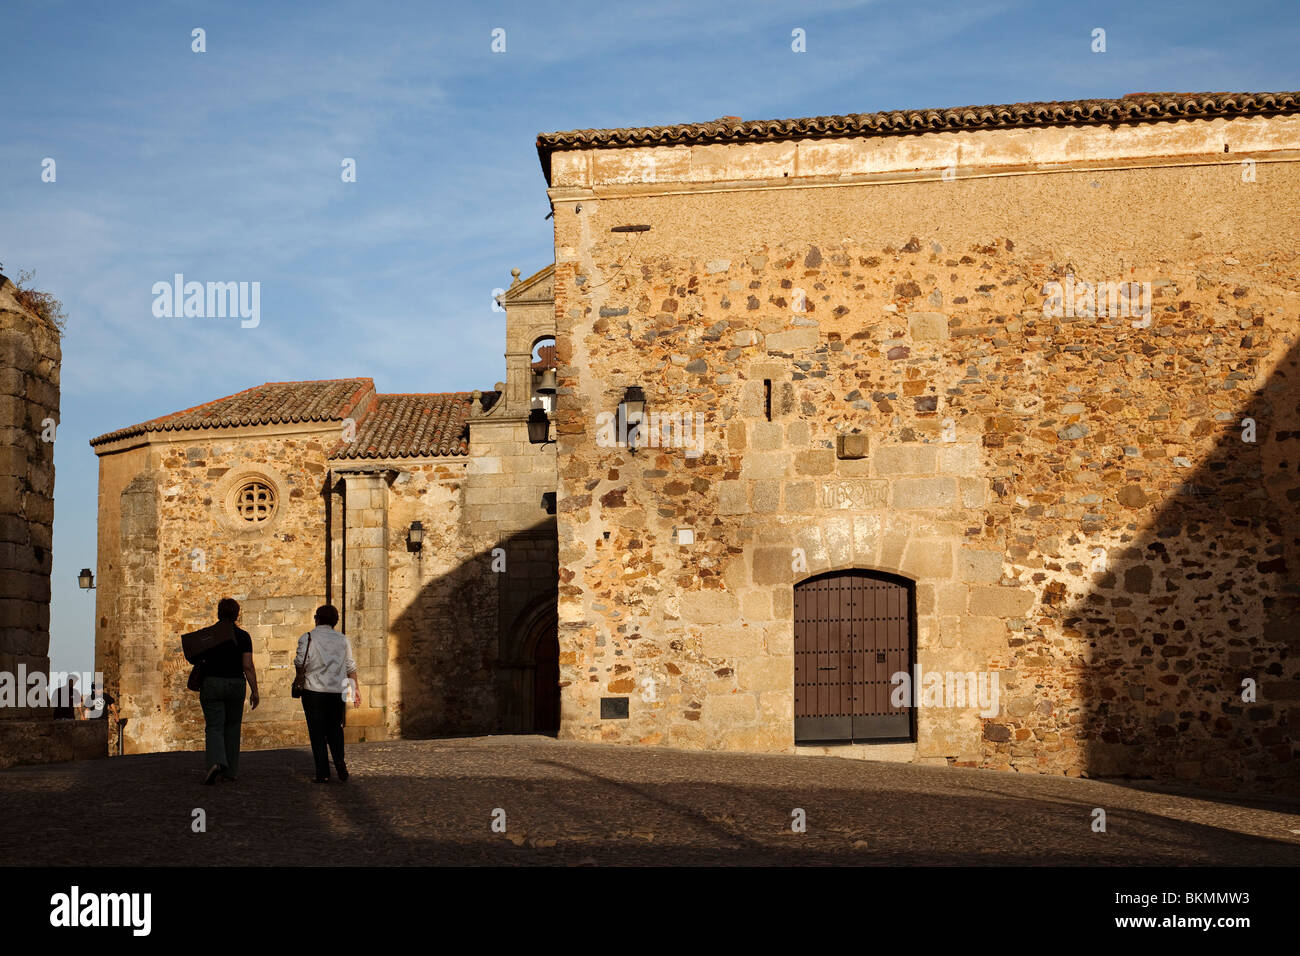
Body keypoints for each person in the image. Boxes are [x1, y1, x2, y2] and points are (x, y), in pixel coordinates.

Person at [187, 598, 259, 784]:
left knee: (214, 726)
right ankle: (231, 772)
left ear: (219, 613)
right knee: (233, 727)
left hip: (212, 683)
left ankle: (216, 763)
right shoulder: (243, 636)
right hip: (236, 684)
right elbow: (247, 666)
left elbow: (193, 656)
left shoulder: (209, 635)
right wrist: (255, 690)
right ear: (237, 615)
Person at [294, 604, 360, 783]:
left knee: (317, 732)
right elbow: (350, 666)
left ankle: (323, 772)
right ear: (335, 621)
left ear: (317, 619)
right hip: (337, 691)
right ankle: (339, 760)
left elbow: (300, 662)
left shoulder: (307, 638)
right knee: (335, 728)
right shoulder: (342, 639)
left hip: (313, 691)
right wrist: (355, 689)